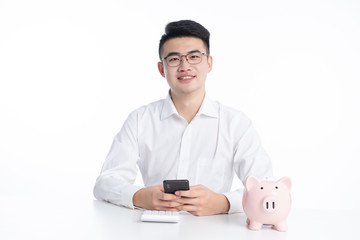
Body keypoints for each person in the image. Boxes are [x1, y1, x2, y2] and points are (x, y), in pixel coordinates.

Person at [93, 20, 273, 216]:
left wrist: (224, 203)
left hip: (215, 232)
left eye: (194, 57)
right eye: (174, 59)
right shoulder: (140, 120)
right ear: (162, 69)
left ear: (209, 63)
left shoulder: (236, 124)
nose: (185, 66)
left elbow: (267, 187)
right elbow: (105, 182)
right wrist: (139, 196)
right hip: (153, 230)